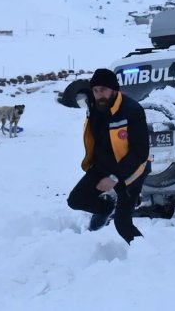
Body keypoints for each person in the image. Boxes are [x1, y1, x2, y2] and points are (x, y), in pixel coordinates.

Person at [67, 68, 151, 244]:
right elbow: (80, 94)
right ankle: (106, 207)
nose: (100, 95)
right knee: (76, 200)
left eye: (103, 90)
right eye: (96, 90)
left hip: (131, 169)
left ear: (114, 89)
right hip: (102, 165)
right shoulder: (93, 105)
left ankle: (145, 255)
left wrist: (114, 177)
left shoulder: (132, 110)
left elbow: (140, 152)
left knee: (122, 223)